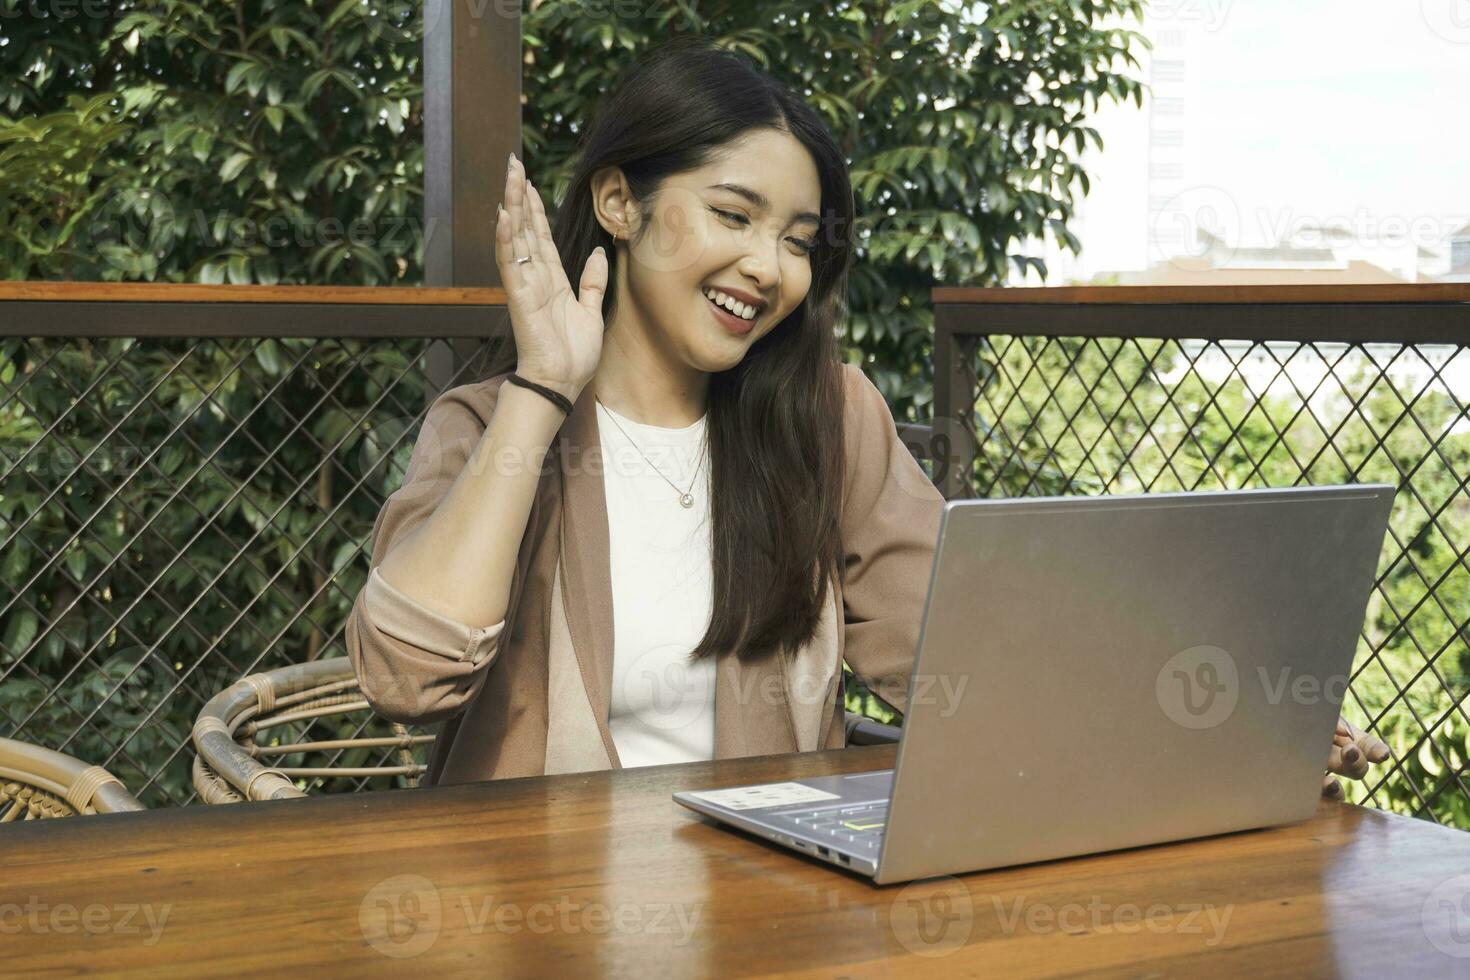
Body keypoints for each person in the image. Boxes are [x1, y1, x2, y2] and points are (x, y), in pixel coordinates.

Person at [346, 37, 1388, 797]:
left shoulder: (827, 420)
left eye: (800, 239)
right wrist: (543, 389)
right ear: (619, 202)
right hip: (525, 918)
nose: (769, 266)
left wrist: (1237, 720)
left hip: (765, 919)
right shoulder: (487, 424)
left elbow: (974, 650)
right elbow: (406, 672)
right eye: (733, 215)